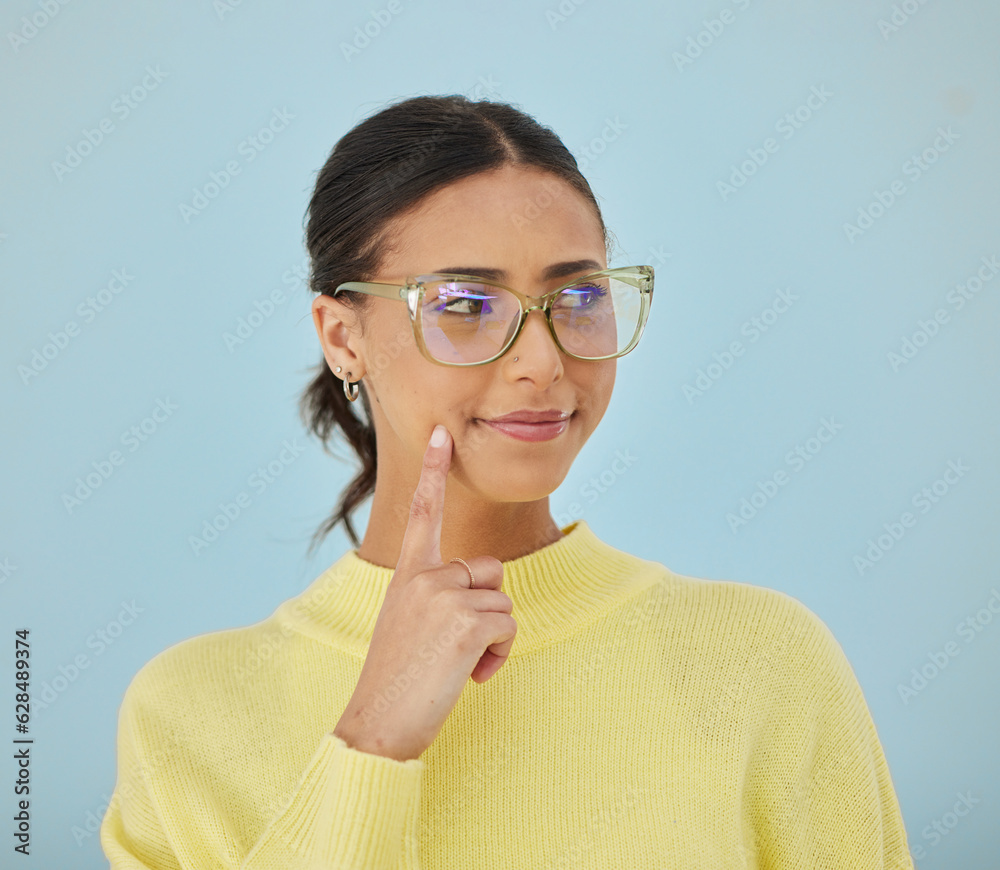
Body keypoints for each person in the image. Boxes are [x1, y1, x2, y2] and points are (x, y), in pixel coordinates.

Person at [101, 94, 916, 869]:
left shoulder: (764, 661)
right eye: (463, 303)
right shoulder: (186, 715)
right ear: (342, 336)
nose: (542, 361)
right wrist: (370, 742)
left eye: (579, 296)